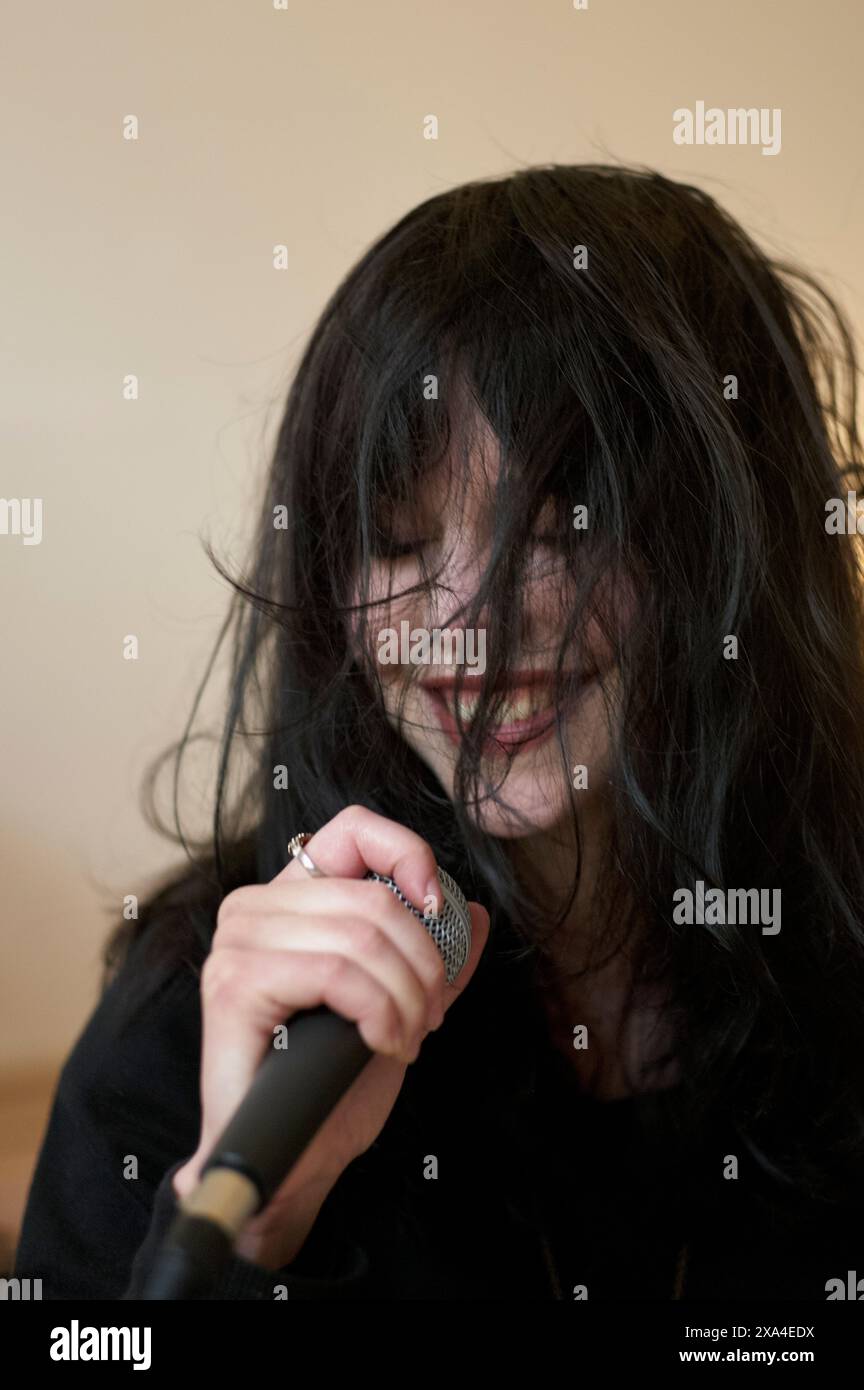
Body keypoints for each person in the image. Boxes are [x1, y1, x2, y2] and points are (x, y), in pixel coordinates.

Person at [14, 163, 864, 1300]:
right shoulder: (199, 1023)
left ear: (731, 537)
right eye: (398, 540)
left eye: (560, 522)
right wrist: (252, 1236)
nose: (461, 623)